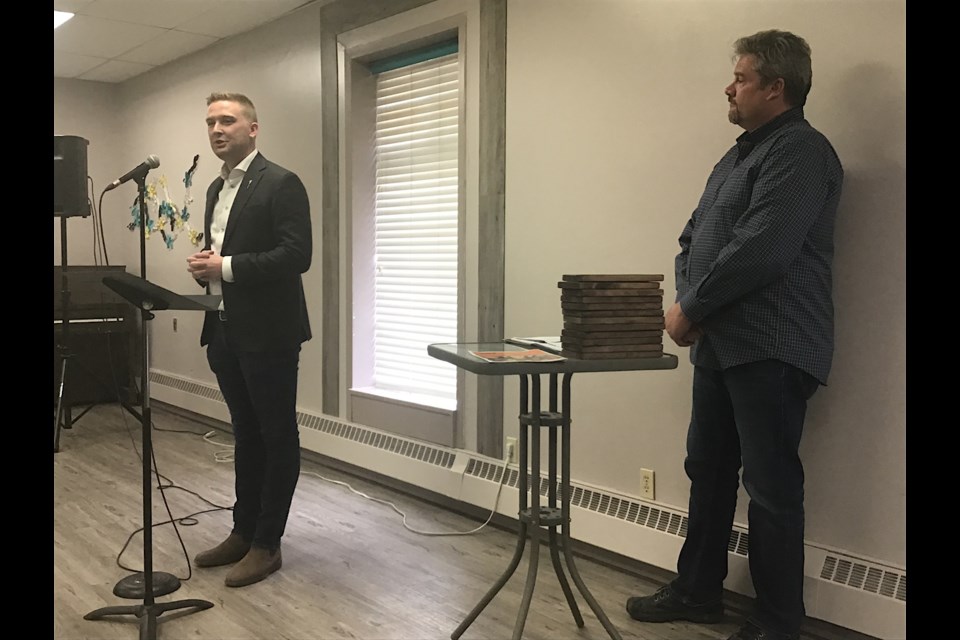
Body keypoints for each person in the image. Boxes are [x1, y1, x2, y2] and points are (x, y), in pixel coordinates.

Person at [624, 30, 843, 640]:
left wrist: (690, 307)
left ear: (776, 87)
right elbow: (694, 235)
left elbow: (764, 249)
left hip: (774, 346)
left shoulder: (802, 150)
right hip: (723, 343)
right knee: (708, 468)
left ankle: (778, 625)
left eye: (741, 77)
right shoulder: (739, 155)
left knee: (770, 487)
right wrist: (687, 305)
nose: (730, 85)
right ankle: (697, 592)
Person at [186, 92, 312, 588]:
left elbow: (295, 256)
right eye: (211, 122)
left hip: (270, 333)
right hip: (223, 328)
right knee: (245, 434)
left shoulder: (281, 183)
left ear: (253, 128)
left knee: (276, 435)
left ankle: (267, 545)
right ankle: (242, 531)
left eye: (228, 121)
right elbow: (223, 253)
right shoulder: (217, 190)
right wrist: (206, 270)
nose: (218, 129)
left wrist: (226, 267)